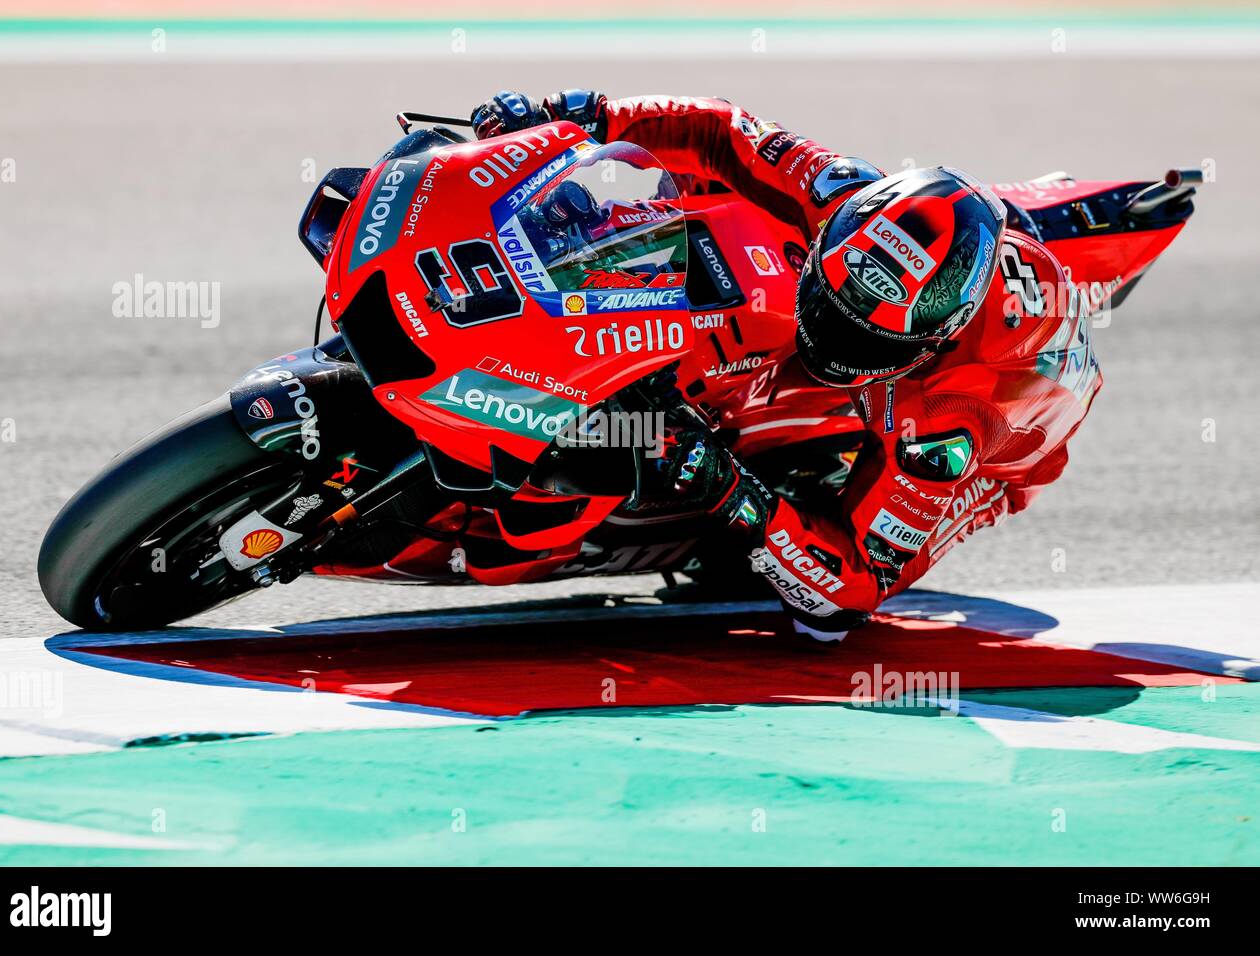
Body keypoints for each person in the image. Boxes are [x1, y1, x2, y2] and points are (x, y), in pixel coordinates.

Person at [471, 90, 1102, 642]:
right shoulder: (839, 191)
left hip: (1012, 421)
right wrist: (581, 114)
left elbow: (846, 595)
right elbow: (718, 130)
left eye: (863, 338)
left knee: (815, 605)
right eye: (831, 303)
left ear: (928, 344)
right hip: (950, 282)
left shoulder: (946, 423)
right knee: (710, 197)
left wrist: (732, 491)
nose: (830, 339)